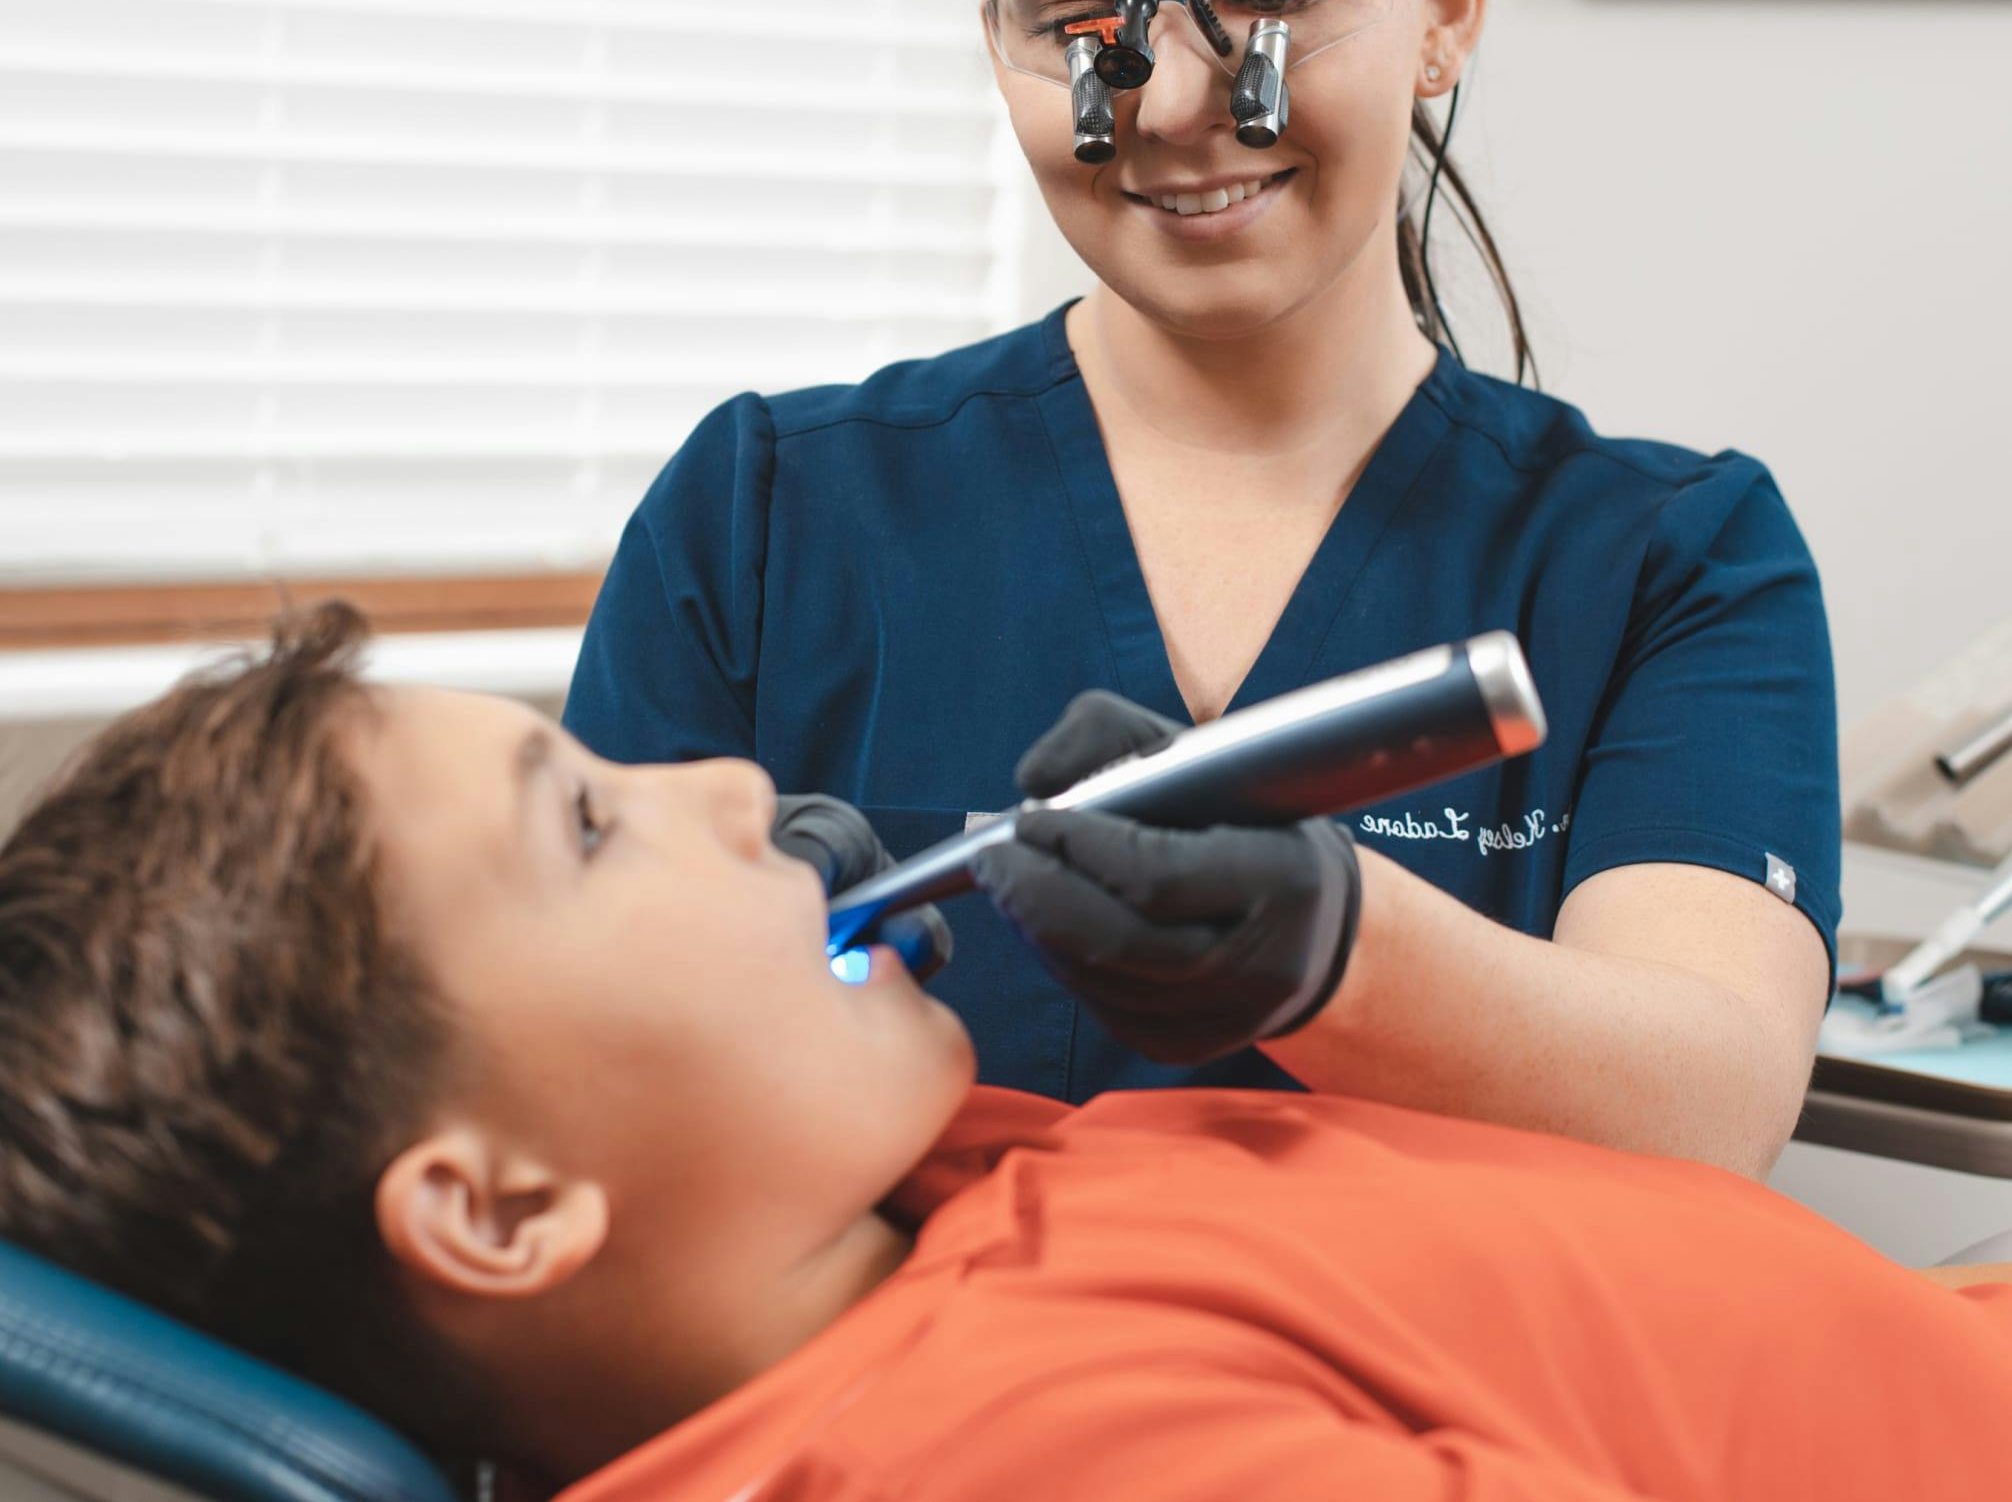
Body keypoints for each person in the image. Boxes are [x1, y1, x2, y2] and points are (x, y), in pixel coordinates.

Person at [563, 0, 1838, 1177]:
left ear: (1443, 9)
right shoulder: (769, 518)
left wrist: (1338, 953)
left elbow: (1705, 1112)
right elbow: (568, 1101)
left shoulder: (1671, 562)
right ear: (1000, 44)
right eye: (1074, 16)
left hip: (1436, 1407)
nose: (1167, 102)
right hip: (891, 1406)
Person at [0, 612, 1997, 1500]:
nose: (732, 781)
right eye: (591, 820)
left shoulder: (871, 1224)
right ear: (507, 1200)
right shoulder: (996, 1454)